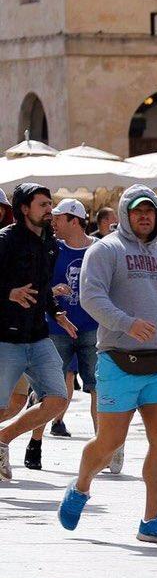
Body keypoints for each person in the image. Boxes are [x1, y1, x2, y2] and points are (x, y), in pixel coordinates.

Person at [58, 185, 157, 543]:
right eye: (137, 211)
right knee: (110, 441)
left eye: (150, 211)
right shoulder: (105, 250)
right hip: (117, 360)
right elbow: (91, 296)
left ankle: (152, 519)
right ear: (125, 214)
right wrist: (126, 323)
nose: (145, 216)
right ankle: (81, 486)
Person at [0, 184, 75, 482]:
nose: (49, 210)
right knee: (3, 407)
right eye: (43, 204)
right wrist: (9, 293)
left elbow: (42, 287)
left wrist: (55, 312)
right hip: (6, 338)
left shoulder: (50, 244)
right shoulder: (5, 240)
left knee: (57, 400)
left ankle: (3, 439)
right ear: (24, 209)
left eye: (50, 204)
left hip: (39, 336)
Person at [27, 199, 102, 471]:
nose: (53, 222)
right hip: (57, 328)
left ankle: (103, 446)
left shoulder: (99, 249)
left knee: (99, 389)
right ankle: (35, 442)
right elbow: (37, 284)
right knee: (49, 388)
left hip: (93, 328)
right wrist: (52, 291)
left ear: (74, 220)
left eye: (58, 218)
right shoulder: (51, 249)